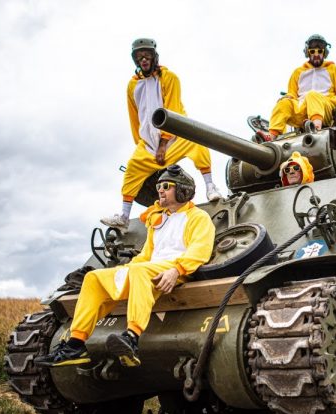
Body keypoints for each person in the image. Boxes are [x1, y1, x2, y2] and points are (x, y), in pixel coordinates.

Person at [36, 165, 216, 367]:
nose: (160, 190)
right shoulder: (159, 220)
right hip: (150, 269)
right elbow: (147, 254)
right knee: (94, 278)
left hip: (176, 270)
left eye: (166, 186)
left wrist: (177, 270)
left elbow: (200, 250)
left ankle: (132, 336)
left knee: (139, 271)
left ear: (183, 190)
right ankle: (75, 344)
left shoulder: (198, 217)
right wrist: (125, 270)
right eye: (159, 187)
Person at [101, 38, 222, 231]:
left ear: (154, 56)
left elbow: (172, 109)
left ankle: (210, 187)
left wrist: (164, 143)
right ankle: (124, 216)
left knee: (198, 142)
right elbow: (134, 116)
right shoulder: (132, 86)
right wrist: (141, 143)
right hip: (149, 141)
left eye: (147, 55)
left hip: (176, 136)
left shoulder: (169, 78)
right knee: (132, 168)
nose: (143, 59)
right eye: (139, 57)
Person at [256, 34, 336, 142]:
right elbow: (292, 94)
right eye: (313, 51)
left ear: (325, 52)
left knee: (312, 95)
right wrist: (287, 98)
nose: (316, 54)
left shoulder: (334, 70)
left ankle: (315, 128)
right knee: (284, 103)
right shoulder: (298, 72)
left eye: (320, 51)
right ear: (308, 52)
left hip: (326, 109)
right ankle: (271, 136)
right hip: (303, 110)